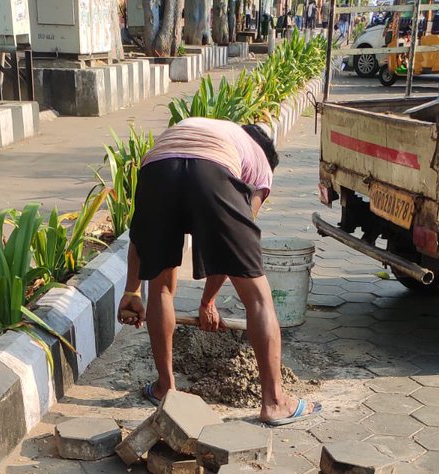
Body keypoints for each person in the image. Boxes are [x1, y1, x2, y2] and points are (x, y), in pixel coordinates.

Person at [118, 117, 321, 427]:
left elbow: (139, 238)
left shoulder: (202, 127)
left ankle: (165, 388)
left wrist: (132, 291)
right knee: (257, 297)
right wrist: (207, 302)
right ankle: (275, 402)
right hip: (211, 170)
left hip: (157, 169)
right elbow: (232, 254)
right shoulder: (261, 167)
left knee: (159, 286)